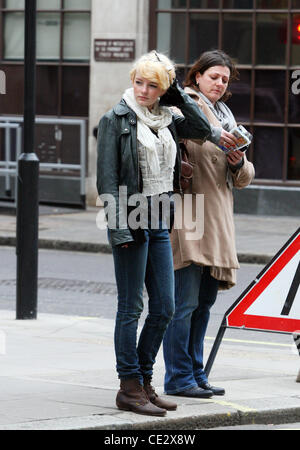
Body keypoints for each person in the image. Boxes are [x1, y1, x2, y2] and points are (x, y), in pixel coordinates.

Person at [96, 51, 234, 417]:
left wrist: (177, 96)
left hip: (161, 217)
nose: (142, 90)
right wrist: (118, 229)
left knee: (166, 308)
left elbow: (203, 131)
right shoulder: (116, 119)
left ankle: (144, 379)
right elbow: (107, 181)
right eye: (138, 81)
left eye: (152, 85)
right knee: (132, 307)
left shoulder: (169, 117)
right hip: (132, 217)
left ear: (164, 89)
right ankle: (129, 386)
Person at [163, 50, 255, 398]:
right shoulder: (184, 107)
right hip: (190, 210)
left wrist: (237, 161)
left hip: (217, 216)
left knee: (204, 303)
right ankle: (178, 377)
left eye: (225, 80)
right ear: (197, 76)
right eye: (214, 76)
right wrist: (216, 139)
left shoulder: (226, 118)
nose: (219, 83)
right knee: (183, 303)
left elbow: (246, 177)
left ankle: (196, 373)